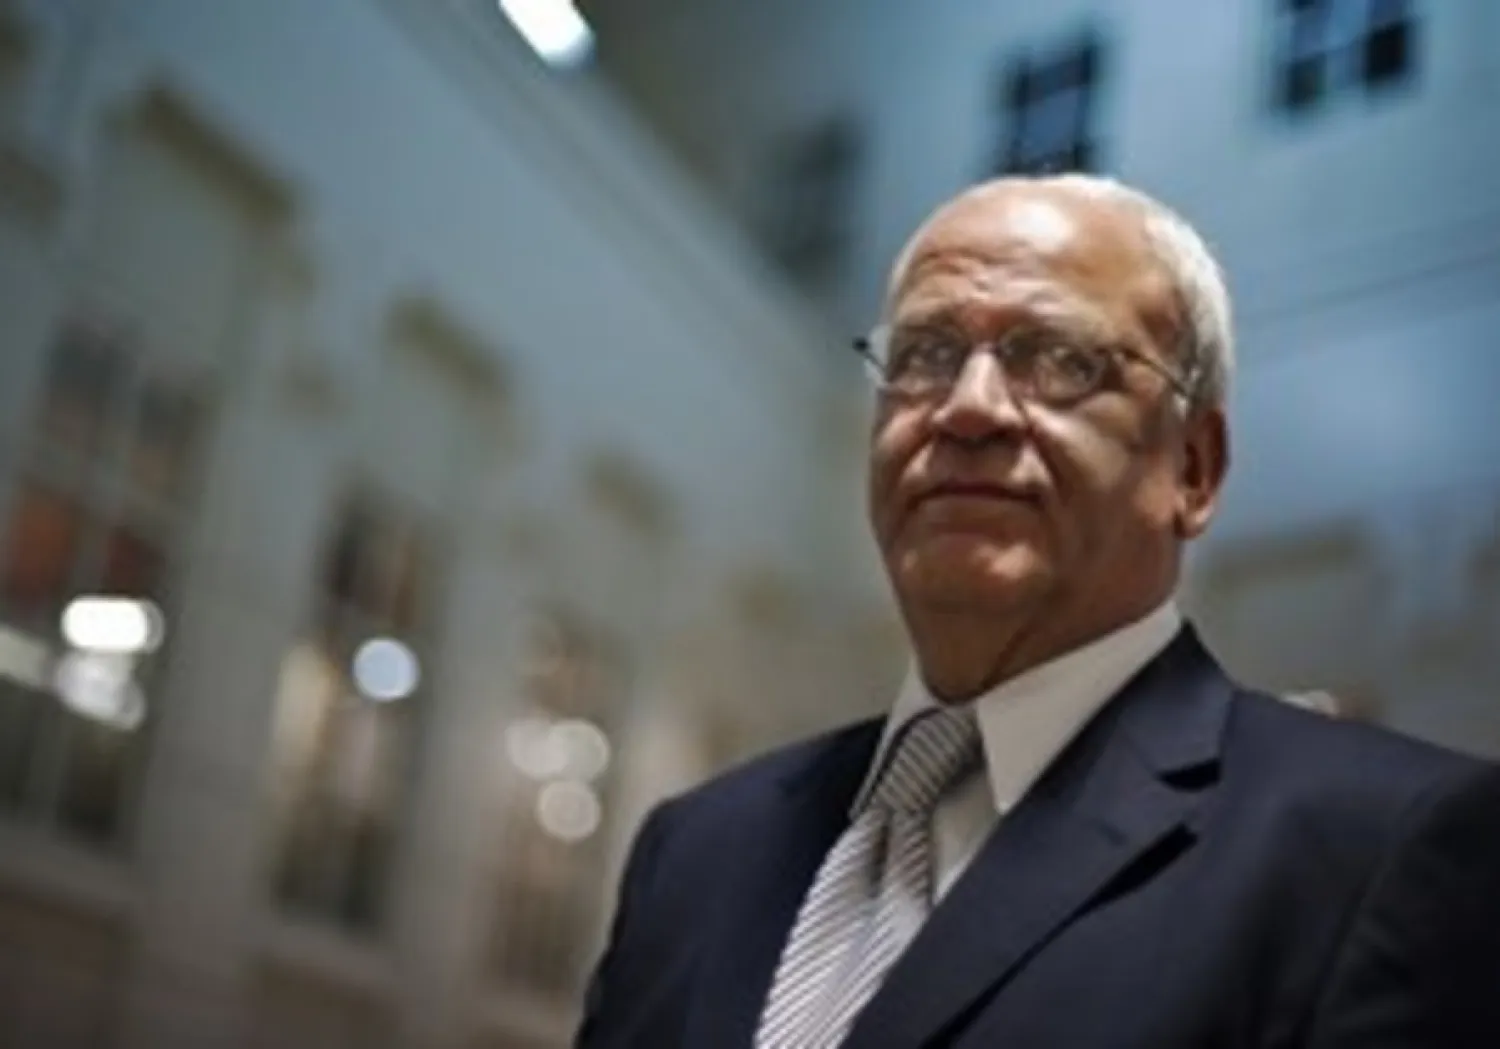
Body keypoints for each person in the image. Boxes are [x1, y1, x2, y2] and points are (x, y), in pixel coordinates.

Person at [575, 175, 1500, 1048]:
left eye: (1061, 359)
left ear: (1193, 467)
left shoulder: (1382, 845)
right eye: (927, 355)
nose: (967, 409)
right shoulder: (694, 849)